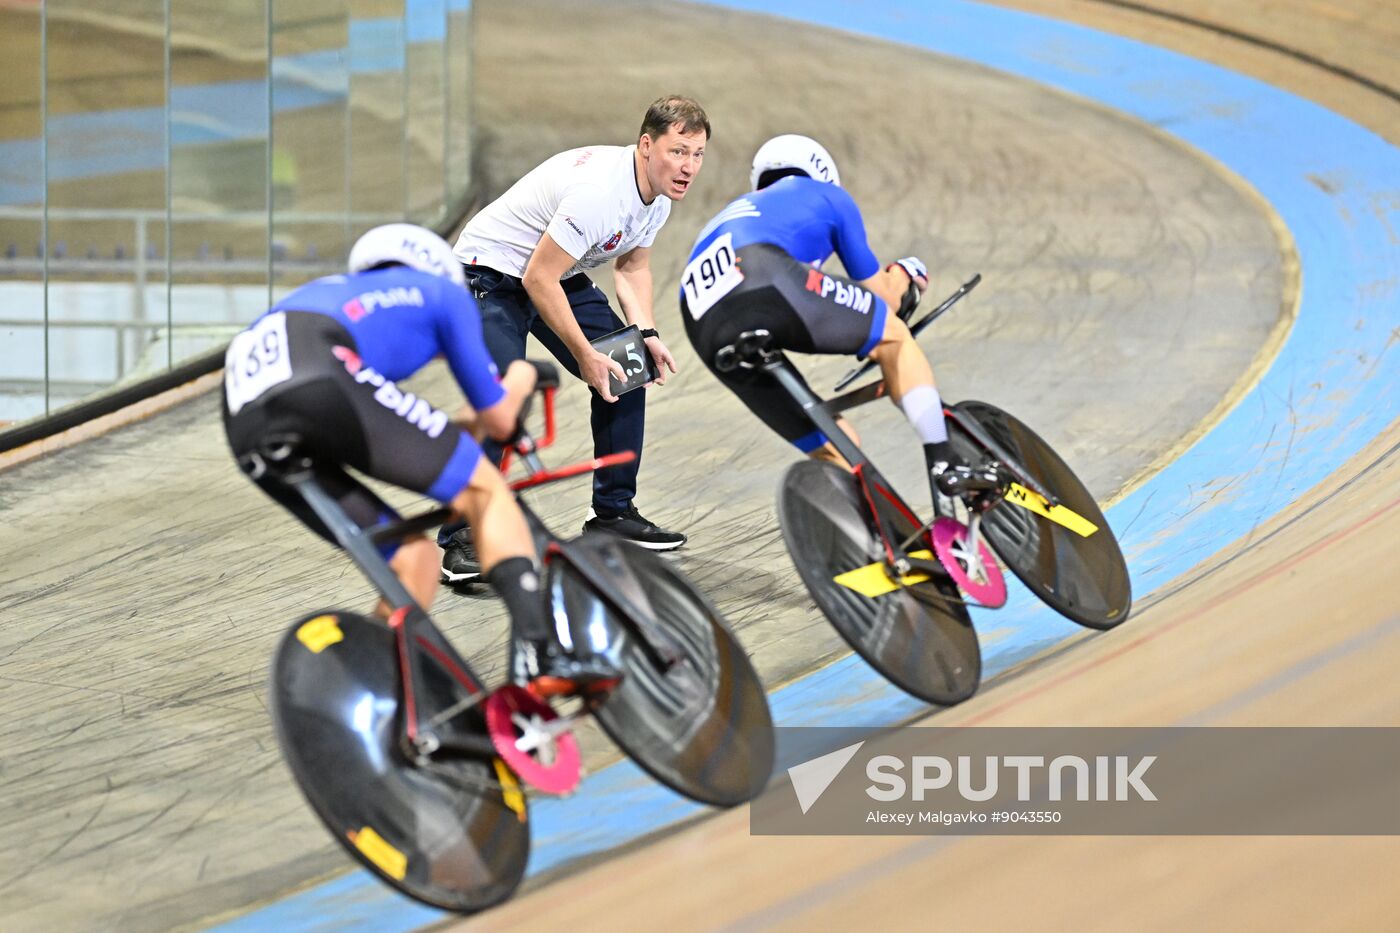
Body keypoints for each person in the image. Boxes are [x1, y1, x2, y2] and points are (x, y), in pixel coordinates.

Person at [222, 223, 617, 692]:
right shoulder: (443, 293)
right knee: (485, 490)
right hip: (322, 376)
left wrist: (458, 433)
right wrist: (524, 374)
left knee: (412, 560)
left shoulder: (336, 291)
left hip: (245, 416)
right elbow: (498, 420)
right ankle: (546, 654)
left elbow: (407, 430)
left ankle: (371, 695)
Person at [440, 95, 710, 583]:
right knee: (503, 397)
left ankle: (612, 514)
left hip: (549, 271)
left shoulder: (657, 196)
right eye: (678, 152)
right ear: (647, 146)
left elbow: (634, 266)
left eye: (697, 155)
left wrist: (644, 332)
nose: (688, 167)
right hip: (489, 274)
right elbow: (536, 280)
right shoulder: (601, 194)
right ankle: (462, 538)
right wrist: (586, 355)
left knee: (627, 369)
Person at [679, 134, 971, 496]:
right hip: (760, 271)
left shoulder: (746, 209)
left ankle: (872, 537)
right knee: (893, 336)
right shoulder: (826, 196)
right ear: (823, 172)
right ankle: (947, 463)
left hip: (700, 320)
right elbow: (883, 296)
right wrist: (905, 273)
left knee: (837, 447)